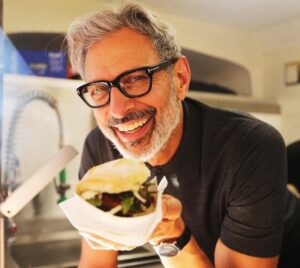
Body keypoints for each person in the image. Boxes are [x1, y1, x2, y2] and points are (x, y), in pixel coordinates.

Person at [66, 3, 300, 268]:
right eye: (98, 89)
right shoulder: (99, 149)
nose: (117, 111)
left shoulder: (249, 146)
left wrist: (172, 236)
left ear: (180, 78)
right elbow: (96, 261)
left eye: (135, 79)